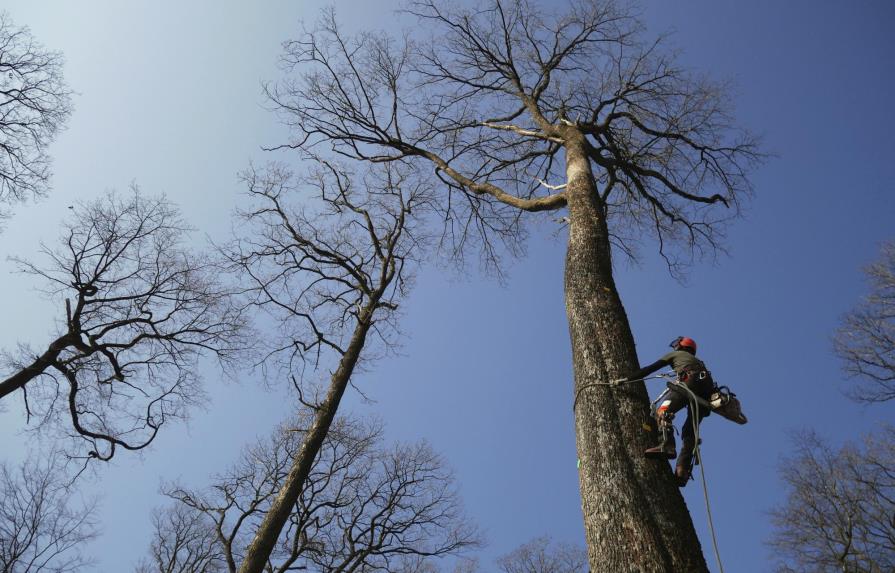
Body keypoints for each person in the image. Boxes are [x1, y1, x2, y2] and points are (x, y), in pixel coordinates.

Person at [623, 336, 715, 487]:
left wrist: (627, 379)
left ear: (681, 346)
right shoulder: (699, 363)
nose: (675, 348)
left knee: (663, 411)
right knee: (689, 432)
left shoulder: (675, 355)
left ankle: (667, 445)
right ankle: (682, 471)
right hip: (706, 393)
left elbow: (650, 369)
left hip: (689, 382)